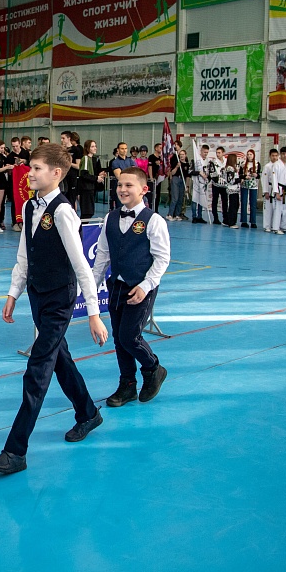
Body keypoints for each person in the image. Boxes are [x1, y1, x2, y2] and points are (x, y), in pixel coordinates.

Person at [0, 144, 109, 475]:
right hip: (37, 294)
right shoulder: (29, 206)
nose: (30, 173)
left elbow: (81, 265)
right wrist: (13, 293)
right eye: (30, 167)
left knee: (38, 369)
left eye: (37, 168)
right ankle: (88, 413)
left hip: (59, 298)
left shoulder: (64, 211)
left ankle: (15, 451)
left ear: (56, 173)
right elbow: (24, 255)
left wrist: (94, 313)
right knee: (60, 359)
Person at [92, 166, 170, 408]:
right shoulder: (110, 218)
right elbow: (103, 254)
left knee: (129, 336)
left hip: (141, 287)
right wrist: (92, 285)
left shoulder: (154, 220)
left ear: (144, 189)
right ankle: (127, 384)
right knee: (119, 338)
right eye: (119, 185)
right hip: (117, 286)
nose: (122, 190)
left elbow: (162, 258)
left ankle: (153, 368)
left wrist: (146, 286)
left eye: (129, 185)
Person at [77, 139, 105, 219]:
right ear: (87, 148)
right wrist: (96, 178)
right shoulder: (85, 158)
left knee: (89, 212)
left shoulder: (96, 159)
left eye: (95, 146)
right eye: (92, 146)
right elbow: (84, 174)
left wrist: (100, 175)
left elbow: (96, 172)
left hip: (92, 188)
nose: (95, 148)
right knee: (87, 212)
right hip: (86, 189)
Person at [109, 142, 136, 210]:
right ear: (118, 150)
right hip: (121, 190)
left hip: (131, 190)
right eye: (122, 149)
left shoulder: (131, 161)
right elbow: (119, 177)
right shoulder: (115, 162)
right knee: (121, 209)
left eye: (125, 148)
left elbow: (135, 173)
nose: (124, 150)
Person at [240, 149, 260, 229]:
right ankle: (244, 221)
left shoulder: (257, 163)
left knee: (253, 204)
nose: (249, 156)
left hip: (253, 185)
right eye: (248, 154)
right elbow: (240, 175)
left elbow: (259, 175)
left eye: (250, 154)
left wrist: (256, 175)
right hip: (244, 185)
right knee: (244, 202)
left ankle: (253, 221)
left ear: (254, 155)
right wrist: (245, 176)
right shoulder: (243, 163)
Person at [190, 144, 210, 224]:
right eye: (204, 152)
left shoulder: (208, 162)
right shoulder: (195, 160)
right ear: (201, 151)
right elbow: (190, 172)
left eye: (207, 152)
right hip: (196, 183)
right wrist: (199, 172)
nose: (205, 154)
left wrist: (208, 179)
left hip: (203, 183)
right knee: (194, 200)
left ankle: (200, 216)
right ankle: (194, 216)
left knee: (201, 199)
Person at [167, 149, 189, 221]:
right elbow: (172, 173)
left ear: (185, 155)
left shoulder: (187, 164)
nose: (181, 156)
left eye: (183, 154)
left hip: (182, 181)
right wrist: (177, 166)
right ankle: (170, 214)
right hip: (176, 179)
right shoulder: (176, 163)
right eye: (180, 154)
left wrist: (187, 186)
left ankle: (177, 214)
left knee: (180, 198)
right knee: (175, 198)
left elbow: (187, 176)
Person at [209, 147, 228, 225]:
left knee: (225, 202)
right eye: (216, 152)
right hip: (216, 185)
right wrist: (216, 179)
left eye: (219, 153)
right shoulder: (213, 162)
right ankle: (215, 218)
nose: (217, 154)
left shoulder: (227, 161)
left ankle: (225, 218)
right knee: (215, 201)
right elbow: (212, 173)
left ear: (223, 153)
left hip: (224, 185)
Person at [262, 149, 279, 232]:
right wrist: (266, 191)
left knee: (276, 208)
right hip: (269, 187)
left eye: (276, 156)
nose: (274, 157)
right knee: (268, 209)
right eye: (273, 156)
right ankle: (267, 226)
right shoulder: (267, 166)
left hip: (277, 188)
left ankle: (274, 225)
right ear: (270, 156)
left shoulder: (279, 165)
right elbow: (264, 179)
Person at [223, 154, 241, 228]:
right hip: (232, 189)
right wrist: (239, 180)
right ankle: (232, 222)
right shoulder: (230, 169)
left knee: (234, 205)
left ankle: (227, 221)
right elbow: (230, 180)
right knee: (233, 206)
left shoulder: (232, 168)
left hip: (235, 189)